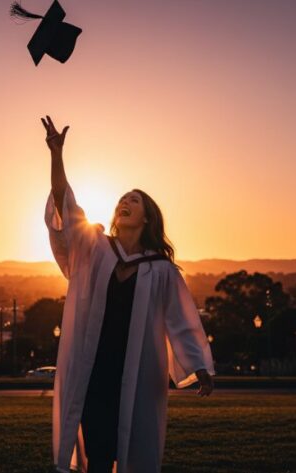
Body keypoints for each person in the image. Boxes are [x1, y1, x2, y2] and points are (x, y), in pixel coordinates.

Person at [42, 115, 215, 473]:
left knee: (134, 449)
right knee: (100, 454)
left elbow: (181, 320)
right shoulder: (95, 249)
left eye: (134, 200)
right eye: (122, 199)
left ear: (147, 217)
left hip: (138, 372)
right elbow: (65, 206)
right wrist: (57, 156)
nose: (125, 202)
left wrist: (199, 366)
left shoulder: (161, 269)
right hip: (94, 369)